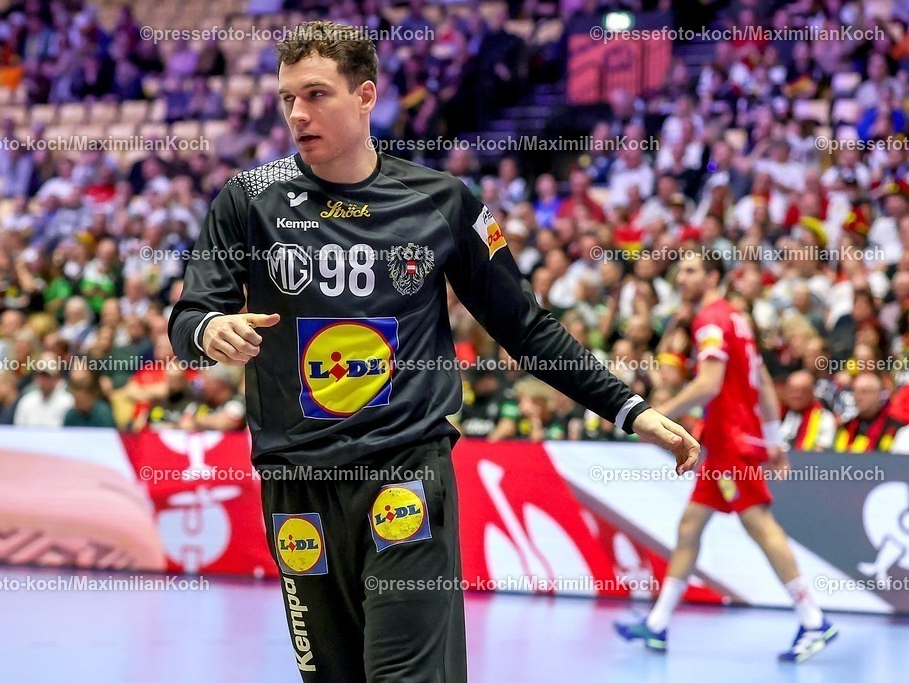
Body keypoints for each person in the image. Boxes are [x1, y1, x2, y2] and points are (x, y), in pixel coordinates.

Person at [169, 21, 699, 683]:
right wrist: (208, 330)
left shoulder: (441, 202)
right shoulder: (249, 200)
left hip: (403, 469)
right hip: (295, 481)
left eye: (315, 94)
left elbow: (526, 326)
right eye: (286, 99)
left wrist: (629, 408)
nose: (297, 113)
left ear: (366, 96)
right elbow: (190, 313)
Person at [615, 254, 838, 663]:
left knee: (761, 526)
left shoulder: (712, 320)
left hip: (731, 443)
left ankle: (813, 619)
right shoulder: (738, 319)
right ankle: (659, 624)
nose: (681, 278)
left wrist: (657, 415)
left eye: (691, 271)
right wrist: (773, 441)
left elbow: (710, 383)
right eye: (679, 271)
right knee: (689, 527)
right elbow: (764, 383)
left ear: (713, 277)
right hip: (723, 444)